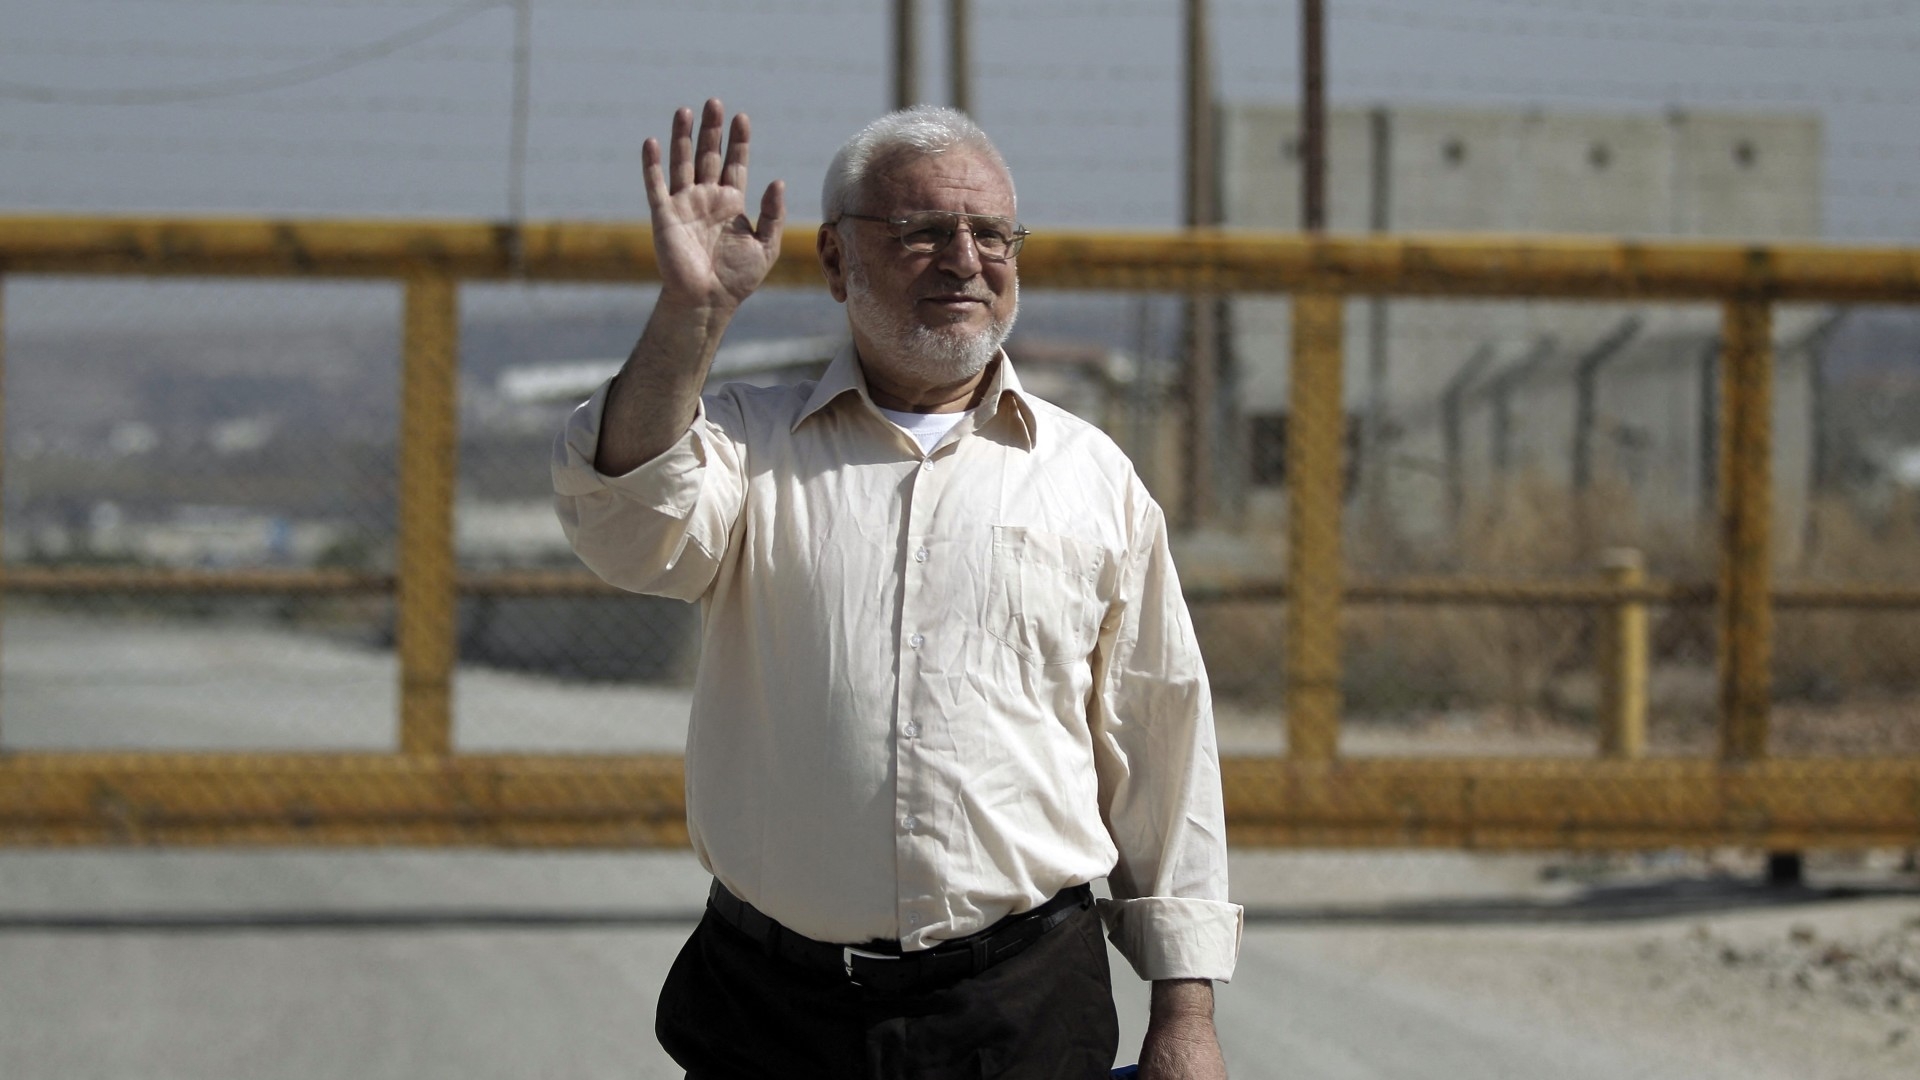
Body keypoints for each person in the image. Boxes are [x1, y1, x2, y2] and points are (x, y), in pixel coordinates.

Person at [553, 98, 1240, 1079]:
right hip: (774, 1012)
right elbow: (625, 528)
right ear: (836, 261)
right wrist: (690, 312)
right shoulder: (748, 447)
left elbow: (1161, 746)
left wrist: (1187, 1016)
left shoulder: (1091, 481)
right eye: (922, 232)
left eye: (992, 233)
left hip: (1020, 1010)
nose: (966, 259)